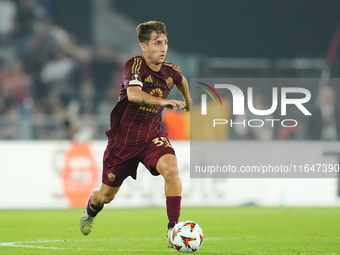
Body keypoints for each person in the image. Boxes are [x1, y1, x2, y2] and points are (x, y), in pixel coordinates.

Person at [79, 21, 191, 248]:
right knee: (106, 197)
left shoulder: (170, 72)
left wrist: (188, 103)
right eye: (157, 43)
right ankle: (92, 207)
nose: (163, 48)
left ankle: (173, 231)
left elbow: (182, 81)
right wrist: (164, 101)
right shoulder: (134, 65)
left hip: (151, 136)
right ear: (144, 46)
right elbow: (133, 94)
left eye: (165, 43)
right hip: (123, 142)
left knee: (171, 170)